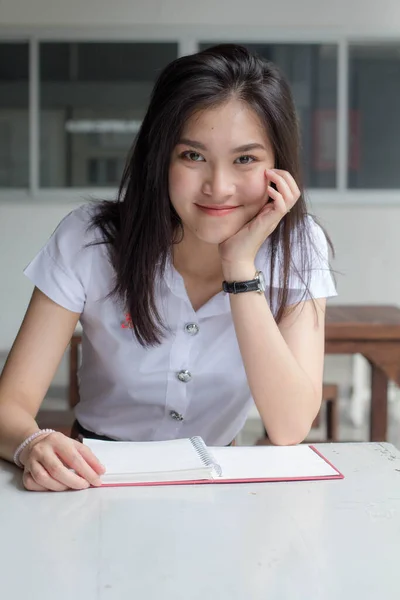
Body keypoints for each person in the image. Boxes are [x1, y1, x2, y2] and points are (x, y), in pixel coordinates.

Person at [0, 44, 336, 492]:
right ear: (161, 158)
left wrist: (239, 266)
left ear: (278, 167)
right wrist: (31, 442)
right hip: (95, 480)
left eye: (245, 159)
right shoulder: (90, 240)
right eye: (193, 156)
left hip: (218, 487)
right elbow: (10, 404)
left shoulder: (299, 243)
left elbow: (290, 425)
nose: (218, 187)